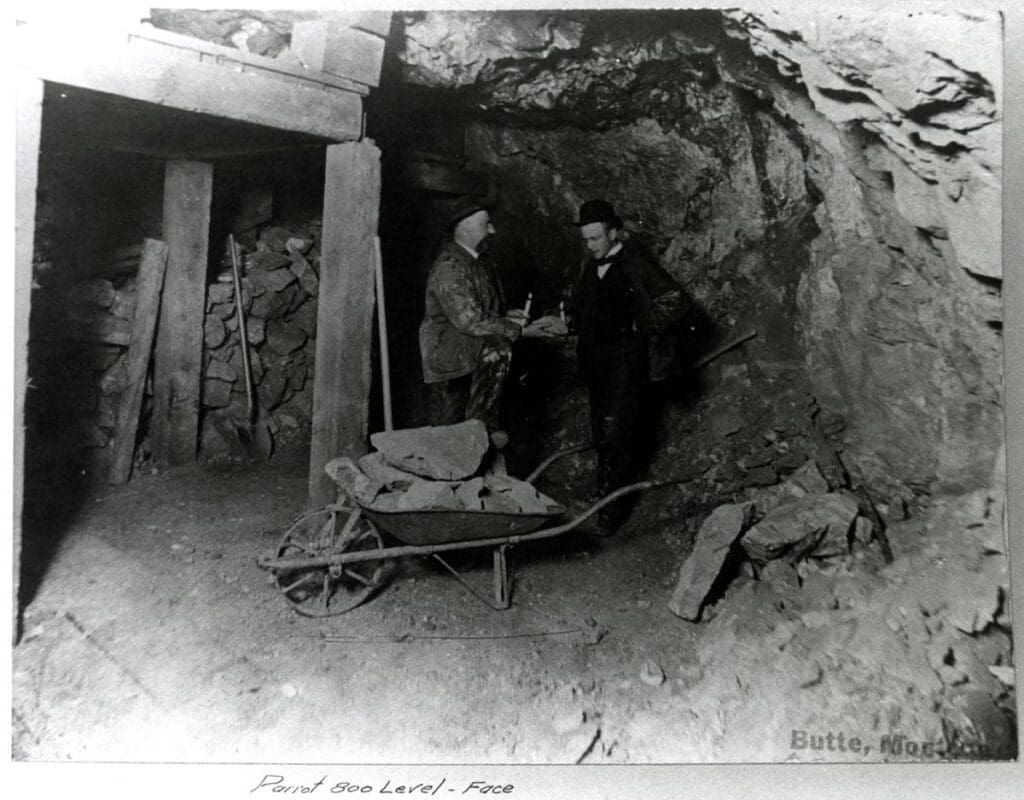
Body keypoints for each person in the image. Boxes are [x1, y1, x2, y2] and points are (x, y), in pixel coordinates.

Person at [570, 199, 689, 535]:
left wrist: (639, 325)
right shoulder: (591, 266)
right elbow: (586, 309)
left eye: (595, 238)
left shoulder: (635, 262)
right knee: (602, 433)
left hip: (626, 364)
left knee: (616, 435)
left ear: (613, 232)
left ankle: (612, 512)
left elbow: (676, 300)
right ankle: (605, 496)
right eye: (586, 239)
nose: (590, 245)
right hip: (597, 365)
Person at [419, 197, 551, 444]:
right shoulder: (451, 264)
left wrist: (507, 315)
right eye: (486, 224)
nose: (493, 230)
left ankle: (461, 439)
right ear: (466, 227)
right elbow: (470, 319)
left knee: (457, 405)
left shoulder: (477, 261)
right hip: (449, 347)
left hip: (466, 343)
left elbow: (480, 308)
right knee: (497, 348)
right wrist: (520, 331)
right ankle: (480, 427)